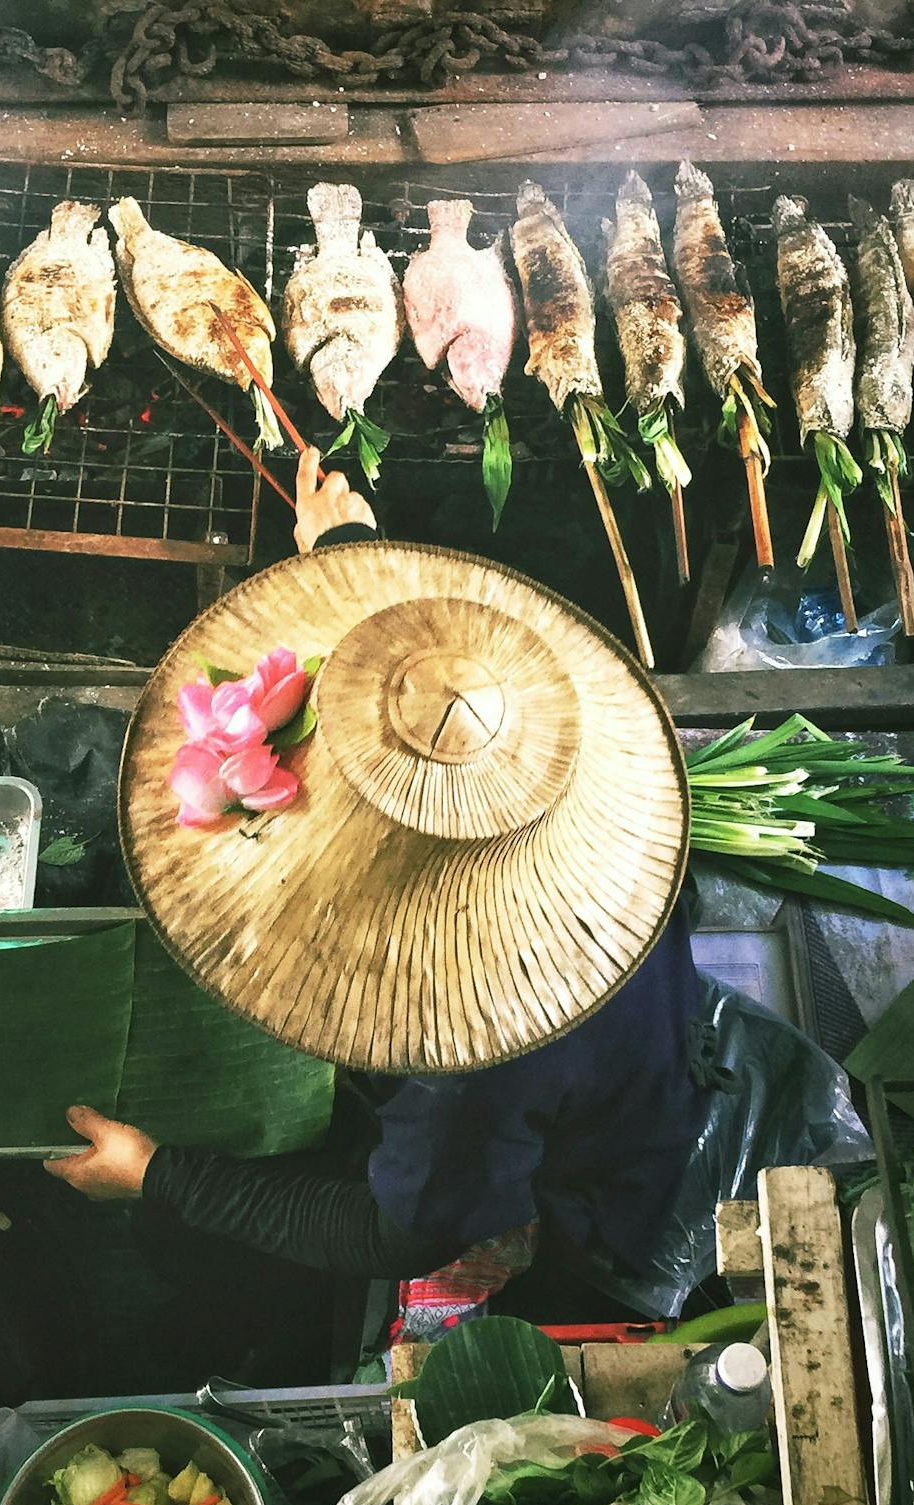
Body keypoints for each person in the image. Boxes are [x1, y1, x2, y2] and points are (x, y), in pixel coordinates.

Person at [47, 450, 702, 1324]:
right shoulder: (553, 740)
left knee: (200, 1258)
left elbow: (391, 1235)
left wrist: (159, 1176)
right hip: (626, 1020)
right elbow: (439, 699)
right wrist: (350, 547)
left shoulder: (464, 1055)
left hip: (604, 1172)